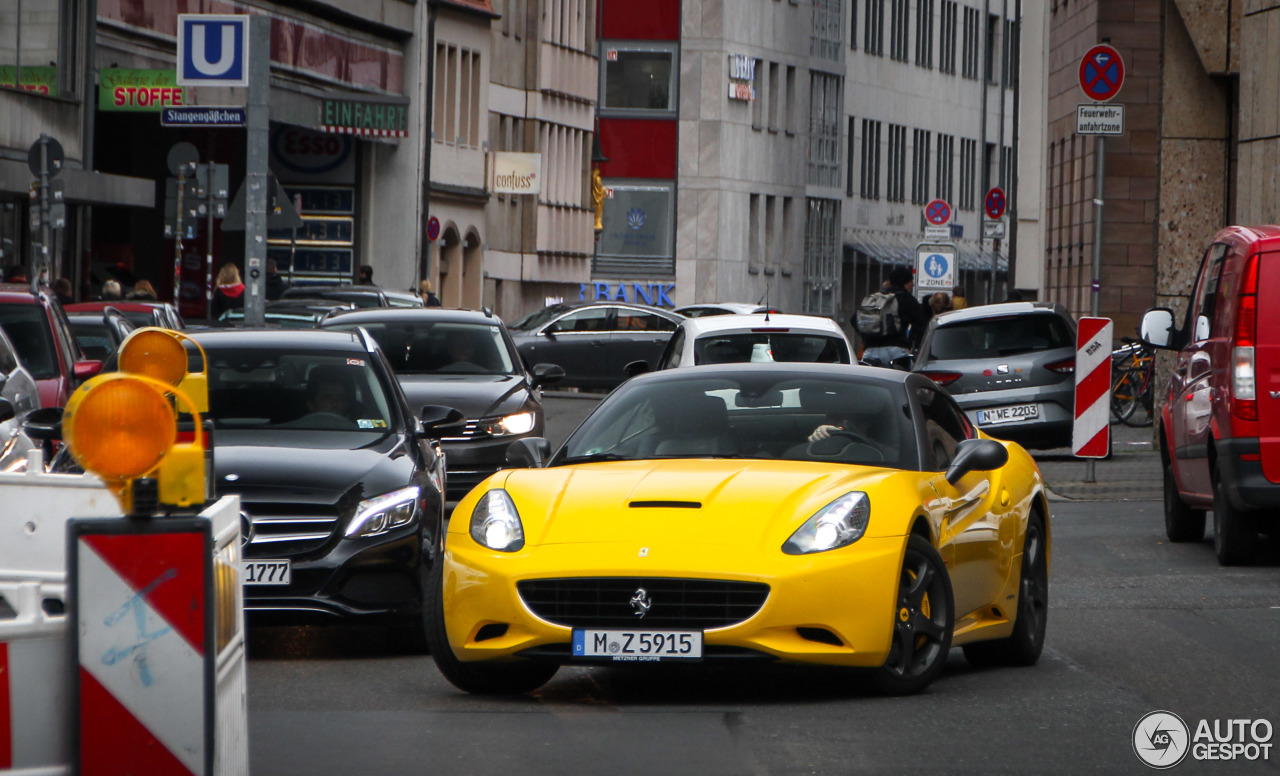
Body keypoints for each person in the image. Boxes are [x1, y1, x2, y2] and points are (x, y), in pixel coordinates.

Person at [860, 266, 927, 369]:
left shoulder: (876, 298)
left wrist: (866, 339)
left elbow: (856, 321)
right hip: (896, 351)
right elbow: (921, 326)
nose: (913, 285)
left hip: (871, 351)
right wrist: (914, 345)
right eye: (911, 281)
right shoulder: (907, 299)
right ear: (905, 283)